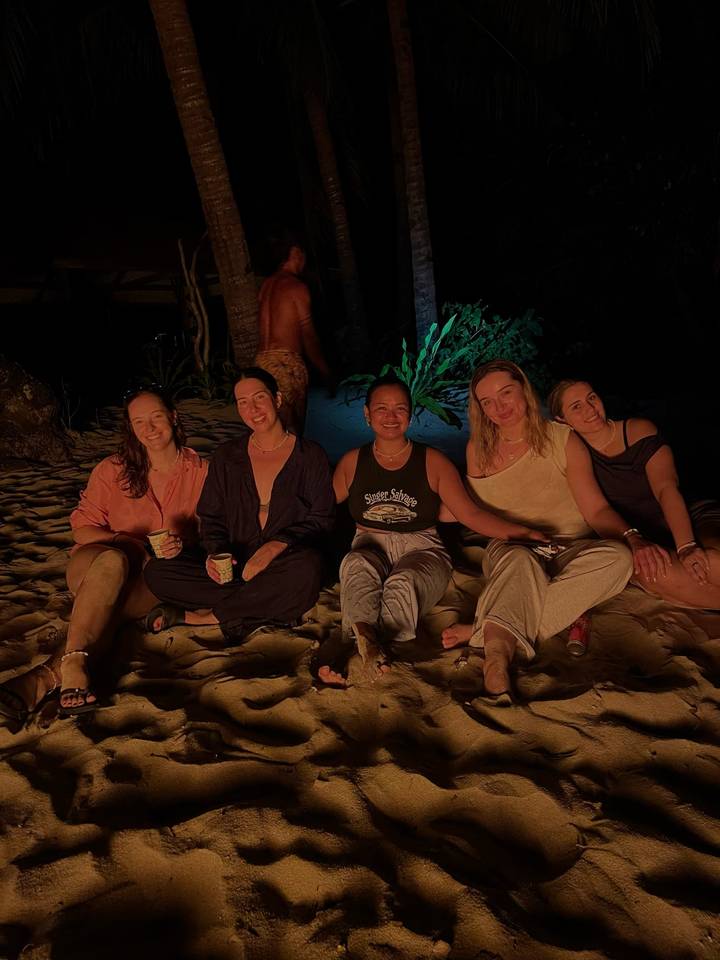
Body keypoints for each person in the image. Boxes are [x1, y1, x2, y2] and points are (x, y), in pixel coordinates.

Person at [440, 360, 670, 701]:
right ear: (479, 408)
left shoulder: (562, 439)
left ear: (524, 389)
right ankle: (497, 660)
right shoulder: (479, 450)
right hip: (512, 547)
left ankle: (486, 628)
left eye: (506, 393)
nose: (499, 407)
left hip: (569, 548)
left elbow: (595, 509)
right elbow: (470, 509)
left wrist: (633, 537)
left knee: (618, 559)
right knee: (520, 561)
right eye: (487, 401)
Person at [317, 375, 547, 688]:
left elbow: (470, 514)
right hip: (369, 542)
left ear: (410, 415)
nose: (390, 416)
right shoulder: (352, 462)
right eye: (381, 408)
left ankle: (357, 642)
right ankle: (370, 645)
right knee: (355, 565)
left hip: (422, 548)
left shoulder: (432, 461)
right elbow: (318, 507)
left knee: (404, 582)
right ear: (367, 414)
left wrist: (521, 533)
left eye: (400, 408)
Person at [0, 389, 208, 723]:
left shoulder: (201, 472)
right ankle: (58, 674)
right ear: (131, 428)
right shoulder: (113, 469)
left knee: (112, 610)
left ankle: (46, 677)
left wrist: (182, 545)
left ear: (173, 416)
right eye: (139, 421)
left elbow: (210, 534)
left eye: (156, 416)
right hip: (97, 563)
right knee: (115, 561)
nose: (150, 428)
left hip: (151, 579)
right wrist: (124, 539)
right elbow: (82, 528)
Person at [143, 368, 334, 639]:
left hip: (286, 562)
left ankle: (206, 617)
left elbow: (322, 520)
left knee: (308, 567)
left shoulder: (310, 455)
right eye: (243, 402)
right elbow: (211, 517)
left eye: (259, 398)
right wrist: (215, 554)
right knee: (157, 571)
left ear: (277, 399)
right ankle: (264, 605)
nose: (252, 408)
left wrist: (274, 547)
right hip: (237, 566)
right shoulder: (227, 456)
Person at [548, 379, 720, 608]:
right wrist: (634, 539)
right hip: (642, 536)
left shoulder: (638, 430)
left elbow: (665, 489)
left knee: (712, 560)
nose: (590, 409)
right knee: (657, 573)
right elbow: (597, 511)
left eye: (591, 397)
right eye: (576, 406)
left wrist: (686, 546)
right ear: (561, 420)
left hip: (691, 519)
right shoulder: (575, 455)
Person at [255, 235, 332, 434]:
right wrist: (325, 371)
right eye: (303, 254)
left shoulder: (266, 286)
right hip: (285, 364)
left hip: (261, 362)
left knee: (269, 427)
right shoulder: (296, 287)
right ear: (296, 253)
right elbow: (308, 335)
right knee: (291, 429)